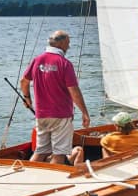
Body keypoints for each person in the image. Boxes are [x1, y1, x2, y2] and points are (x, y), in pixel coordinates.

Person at [20, 30, 91, 165]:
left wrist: (27, 98)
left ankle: (28, 173)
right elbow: (74, 90)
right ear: (61, 43)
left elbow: (24, 81)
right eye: (68, 43)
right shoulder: (64, 63)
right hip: (60, 115)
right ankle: (52, 178)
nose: (68, 47)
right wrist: (85, 113)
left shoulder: (37, 60)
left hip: (41, 115)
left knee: (40, 151)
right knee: (59, 153)